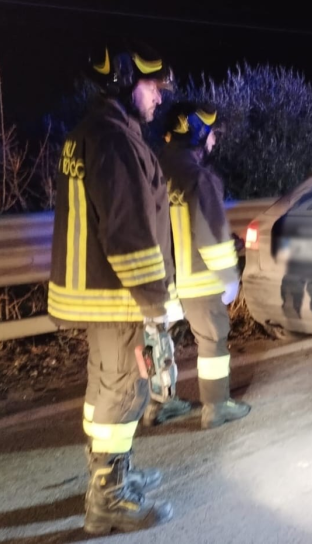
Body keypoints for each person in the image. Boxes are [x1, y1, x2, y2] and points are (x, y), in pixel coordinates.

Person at [48, 42, 179, 534]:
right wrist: (154, 303)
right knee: (125, 389)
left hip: (97, 293)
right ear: (127, 85)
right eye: (153, 88)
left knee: (105, 387)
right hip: (118, 295)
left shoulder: (90, 133)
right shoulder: (115, 141)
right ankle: (109, 497)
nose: (160, 99)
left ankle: (108, 475)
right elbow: (127, 231)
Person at [146, 102, 251, 429]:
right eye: (211, 134)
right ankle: (216, 407)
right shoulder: (198, 178)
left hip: (155, 280)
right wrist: (228, 277)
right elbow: (213, 234)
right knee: (212, 340)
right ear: (197, 134)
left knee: (159, 342)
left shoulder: (151, 172)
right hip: (198, 282)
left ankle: (160, 404)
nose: (214, 141)